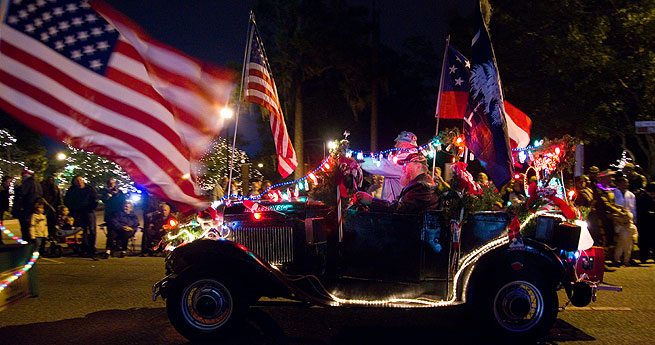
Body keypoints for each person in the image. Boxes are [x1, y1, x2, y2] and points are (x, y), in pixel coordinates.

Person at [354, 152, 440, 214]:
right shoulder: (418, 184)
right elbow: (396, 204)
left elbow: (398, 208)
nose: (403, 169)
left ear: (418, 167)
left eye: (406, 165)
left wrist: (371, 200)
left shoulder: (422, 186)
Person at [360, 131, 419, 202]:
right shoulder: (408, 161)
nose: (395, 146)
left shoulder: (405, 163)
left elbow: (380, 166)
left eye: (398, 143)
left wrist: (359, 161)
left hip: (395, 207)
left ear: (406, 145)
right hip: (394, 205)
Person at [64, 175, 99, 260]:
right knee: (81, 230)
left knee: (91, 230)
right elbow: (67, 200)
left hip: (89, 211)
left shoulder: (89, 189)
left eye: (80, 180)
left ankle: (91, 247)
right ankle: (84, 247)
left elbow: (95, 199)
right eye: (77, 180)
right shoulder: (72, 190)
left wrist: (92, 207)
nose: (79, 182)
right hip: (78, 212)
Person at [100, 178, 126, 256]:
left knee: (119, 230)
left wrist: (117, 194)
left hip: (119, 214)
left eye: (112, 183)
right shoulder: (105, 192)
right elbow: (104, 200)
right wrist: (110, 195)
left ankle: (118, 246)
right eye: (109, 183)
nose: (111, 184)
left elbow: (123, 200)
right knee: (111, 232)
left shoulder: (119, 192)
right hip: (110, 214)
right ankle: (109, 248)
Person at [15, 170, 43, 242]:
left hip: (28, 205)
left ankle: (28, 239)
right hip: (36, 205)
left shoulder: (27, 183)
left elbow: (23, 192)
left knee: (27, 224)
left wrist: (17, 189)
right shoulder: (37, 183)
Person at [637, 182, 655, 263]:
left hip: (653, 222)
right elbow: (641, 210)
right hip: (644, 223)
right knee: (644, 241)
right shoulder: (642, 197)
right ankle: (644, 257)